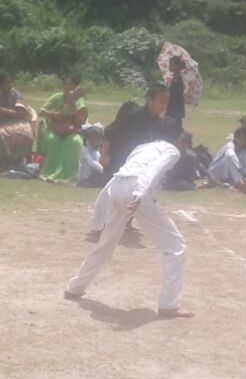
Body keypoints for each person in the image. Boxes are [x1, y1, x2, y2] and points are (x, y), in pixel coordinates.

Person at [64, 137, 193, 319]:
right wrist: (139, 193)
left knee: (106, 244)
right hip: (136, 190)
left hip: (117, 188)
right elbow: (153, 169)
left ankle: (75, 287)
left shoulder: (141, 147)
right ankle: (169, 305)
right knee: (175, 245)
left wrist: (97, 220)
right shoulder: (172, 150)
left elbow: (120, 175)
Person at [105, 84, 178, 175]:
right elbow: (109, 131)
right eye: (161, 102)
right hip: (119, 160)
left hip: (139, 164)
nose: (164, 106)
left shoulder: (160, 123)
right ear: (149, 99)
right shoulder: (132, 116)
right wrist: (104, 154)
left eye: (166, 103)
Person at [39, 73, 89, 182]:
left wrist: (72, 104)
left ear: (75, 87)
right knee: (51, 139)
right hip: (55, 129)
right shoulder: (57, 97)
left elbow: (81, 120)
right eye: (65, 84)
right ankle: (49, 171)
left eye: (70, 84)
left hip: (71, 130)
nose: (67, 86)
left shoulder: (79, 101)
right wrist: (53, 114)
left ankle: (71, 174)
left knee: (75, 141)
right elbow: (41, 111)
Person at [0, 72, 33, 174]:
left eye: (10, 82)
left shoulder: (17, 95)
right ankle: (1, 164)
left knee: (26, 133)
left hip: (16, 122)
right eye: (6, 83)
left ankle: (20, 161)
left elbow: (22, 113)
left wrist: (6, 112)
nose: (9, 85)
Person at [166, 54, 188, 125]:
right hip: (174, 106)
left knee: (174, 124)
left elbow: (177, 94)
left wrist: (169, 94)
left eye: (171, 64)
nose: (169, 66)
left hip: (175, 107)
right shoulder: (176, 77)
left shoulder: (178, 79)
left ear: (177, 66)